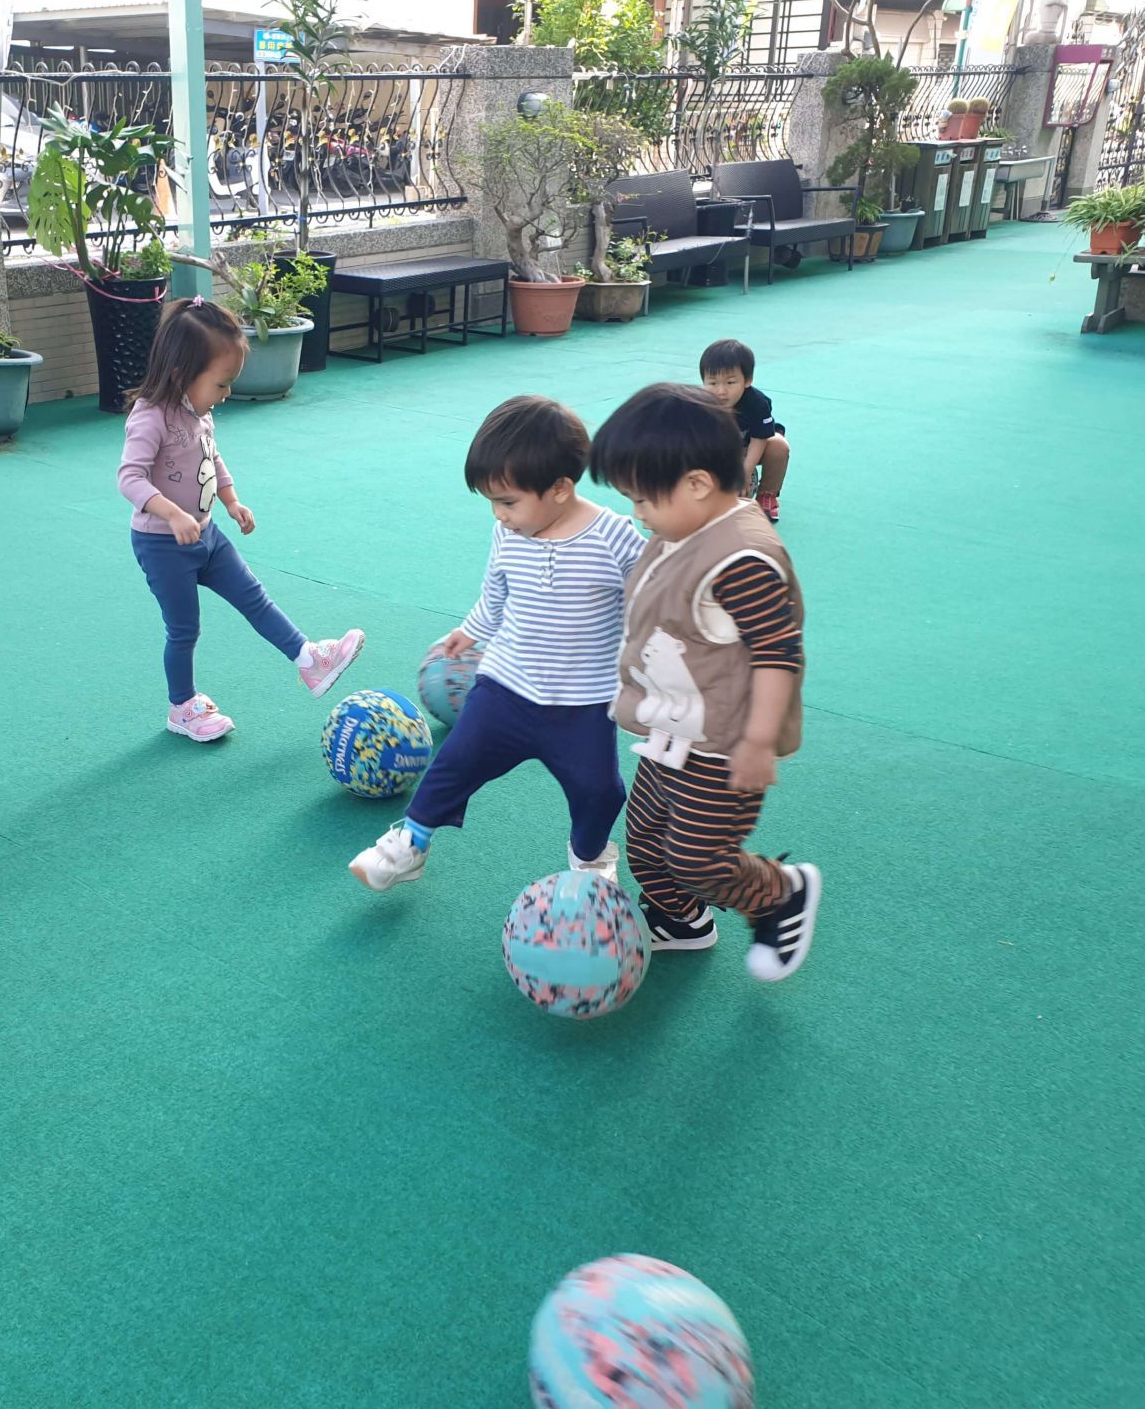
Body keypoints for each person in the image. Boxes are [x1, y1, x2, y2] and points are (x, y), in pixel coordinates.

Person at [349, 395, 645, 890]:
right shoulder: (507, 534)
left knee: (600, 791)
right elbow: (496, 595)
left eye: (508, 502)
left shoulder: (613, 536)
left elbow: (651, 596)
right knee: (455, 761)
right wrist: (471, 630)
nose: (499, 514)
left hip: (583, 704)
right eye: (491, 501)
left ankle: (590, 858)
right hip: (505, 687)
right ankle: (411, 843)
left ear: (560, 488)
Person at [589, 383, 820, 982]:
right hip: (672, 733)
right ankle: (683, 921)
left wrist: (758, 741)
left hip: (723, 747)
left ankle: (779, 892)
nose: (637, 513)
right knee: (645, 841)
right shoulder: (682, 530)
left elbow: (776, 652)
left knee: (697, 857)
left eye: (643, 498)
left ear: (696, 483)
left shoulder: (741, 559)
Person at [119, 297, 364, 741]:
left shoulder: (199, 412)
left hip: (207, 536)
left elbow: (211, 458)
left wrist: (231, 501)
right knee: (184, 629)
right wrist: (172, 514)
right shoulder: (150, 417)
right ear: (181, 374)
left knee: (255, 597)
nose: (226, 394)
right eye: (221, 383)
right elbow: (129, 478)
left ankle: (309, 660)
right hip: (162, 545)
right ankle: (182, 707)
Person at [698, 338, 791, 523]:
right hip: (720, 452)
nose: (721, 391)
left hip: (751, 447)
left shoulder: (757, 403)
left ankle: (766, 496)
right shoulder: (699, 404)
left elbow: (759, 438)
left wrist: (745, 472)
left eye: (730, 382)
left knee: (779, 445)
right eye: (712, 383)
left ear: (747, 380)